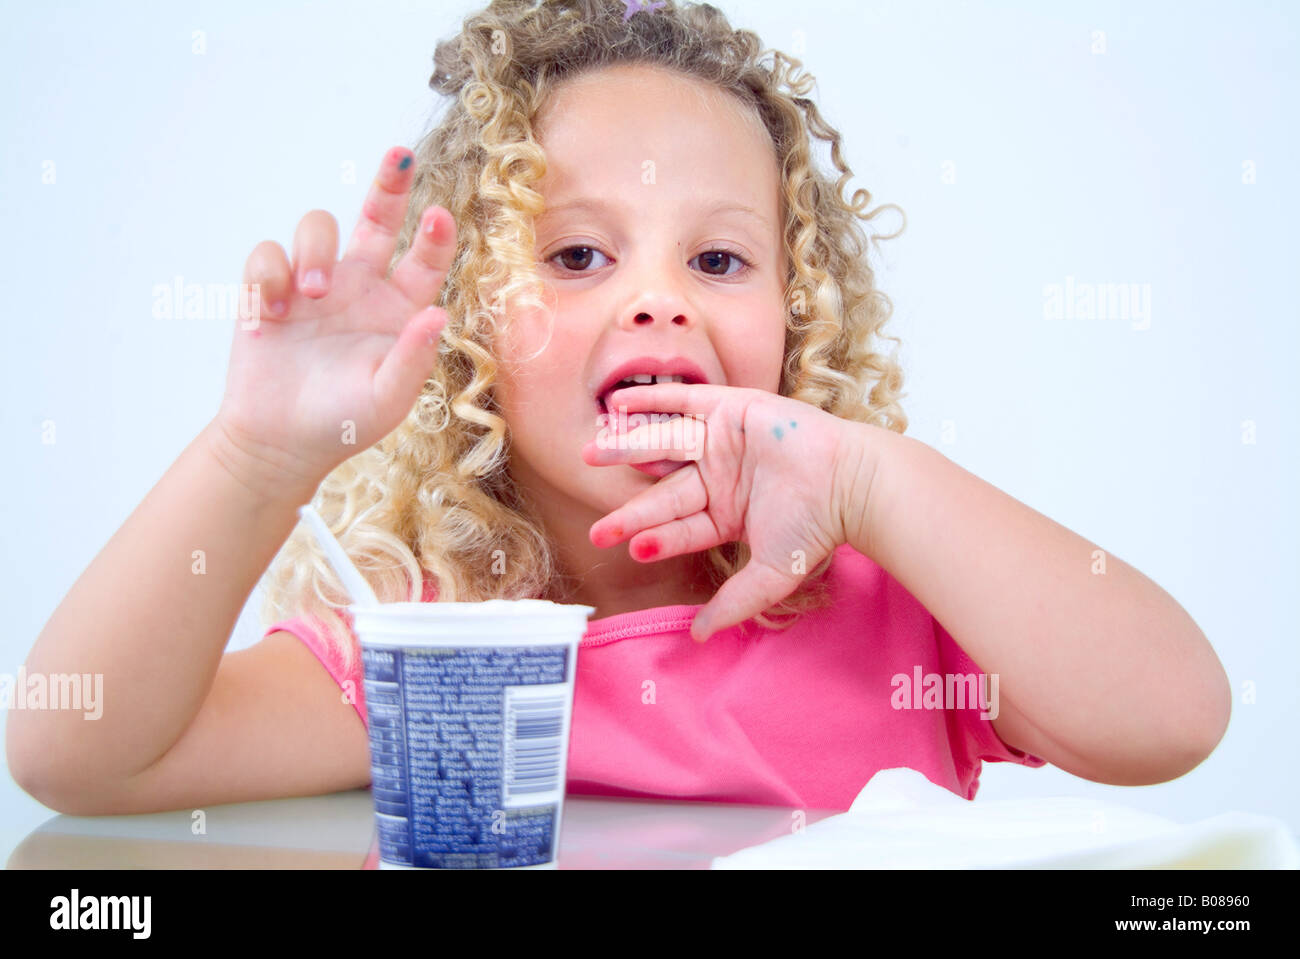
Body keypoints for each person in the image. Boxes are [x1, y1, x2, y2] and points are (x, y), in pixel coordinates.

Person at [8, 0, 1230, 817]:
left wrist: (869, 481)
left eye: (717, 262)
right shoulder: (433, 654)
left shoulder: (896, 605)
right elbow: (79, 751)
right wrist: (253, 456)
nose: (656, 301)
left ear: (798, 320)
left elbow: (1171, 719)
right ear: (469, 328)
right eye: (580, 256)